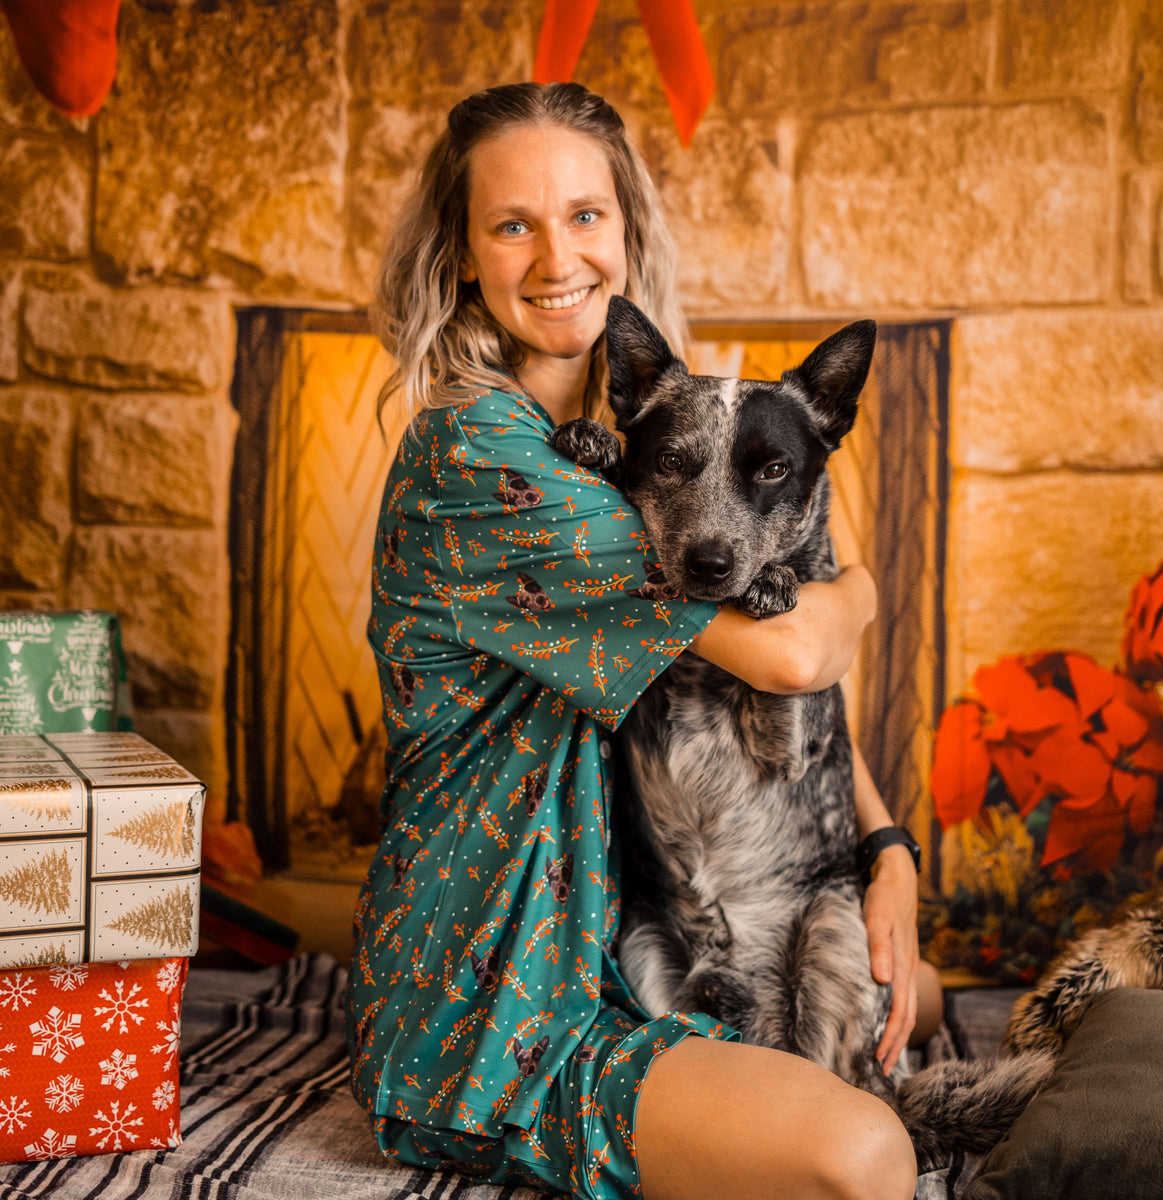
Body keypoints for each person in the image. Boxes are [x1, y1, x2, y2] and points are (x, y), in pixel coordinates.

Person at [347, 80, 934, 1200]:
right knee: (866, 1155)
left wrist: (887, 850)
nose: (557, 254)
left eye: (585, 216)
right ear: (462, 254)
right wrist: (854, 584)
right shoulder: (488, 463)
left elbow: (770, 683)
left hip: (629, 927)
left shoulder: (658, 445)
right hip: (507, 1012)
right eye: (512, 223)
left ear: (625, 232)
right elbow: (800, 653)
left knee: (907, 981)